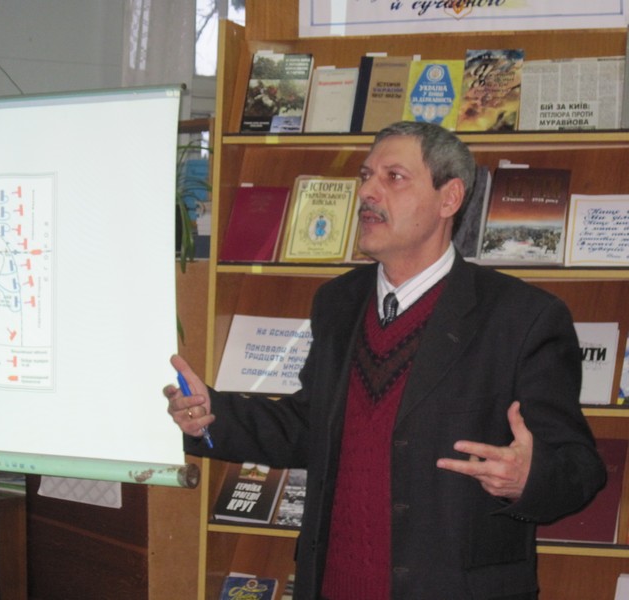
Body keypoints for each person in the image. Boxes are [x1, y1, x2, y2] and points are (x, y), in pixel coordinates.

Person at [163, 121, 605, 600]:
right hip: (334, 584)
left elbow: (579, 469)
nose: (367, 192)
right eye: (365, 175)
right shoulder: (337, 301)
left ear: (450, 198)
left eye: (393, 177)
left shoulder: (523, 317)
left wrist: (528, 477)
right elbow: (311, 426)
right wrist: (213, 414)